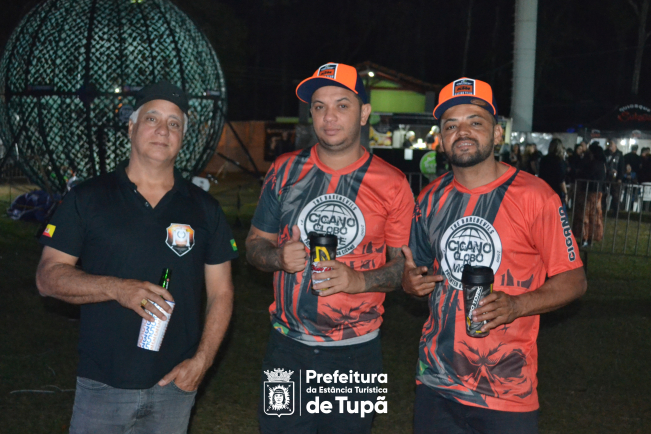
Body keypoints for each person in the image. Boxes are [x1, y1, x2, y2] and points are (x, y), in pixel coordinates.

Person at [35, 81, 238, 434]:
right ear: (131, 127)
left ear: (182, 137)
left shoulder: (205, 209)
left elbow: (222, 292)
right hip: (102, 384)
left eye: (174, 123)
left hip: (175, 385)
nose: (163, 130)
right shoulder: (87, 198)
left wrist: (202, 363)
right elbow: (47, 277)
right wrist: (119, 289)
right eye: (152, 119)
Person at [401, 77, 587, 434]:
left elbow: (574, 280)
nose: (462, 132)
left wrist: (517, 305)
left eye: (475, 122)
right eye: (451, 125)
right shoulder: (430, 199)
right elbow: (420, 276)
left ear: (497, 134)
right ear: (441, 138)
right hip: (436, 385)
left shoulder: (536, 197)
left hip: (506, 392)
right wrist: (410, 284)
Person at [246, 62, 414, 434]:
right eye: (319, 106)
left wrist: (359, 280)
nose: (329, 117)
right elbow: (254, 245)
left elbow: (404, 267)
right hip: (287, 349)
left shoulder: (393, 183)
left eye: (342, 105)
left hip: (357, 352)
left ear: (364, 113)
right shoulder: (284, 171)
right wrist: (276, 257)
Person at [572, 142, 606, 246]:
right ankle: (591, 238)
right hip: (597, 192)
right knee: (594, 216)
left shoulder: (593, 164)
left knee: (585, 216)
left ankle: (585, 238)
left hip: (589, 192)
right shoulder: (602, 164)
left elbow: (584, 174)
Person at [539, 138, 567, 202]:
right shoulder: (560, 161)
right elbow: (561, 179)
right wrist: (565, 193)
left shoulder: (544, 159)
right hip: (555, 191)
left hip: (543, 189)